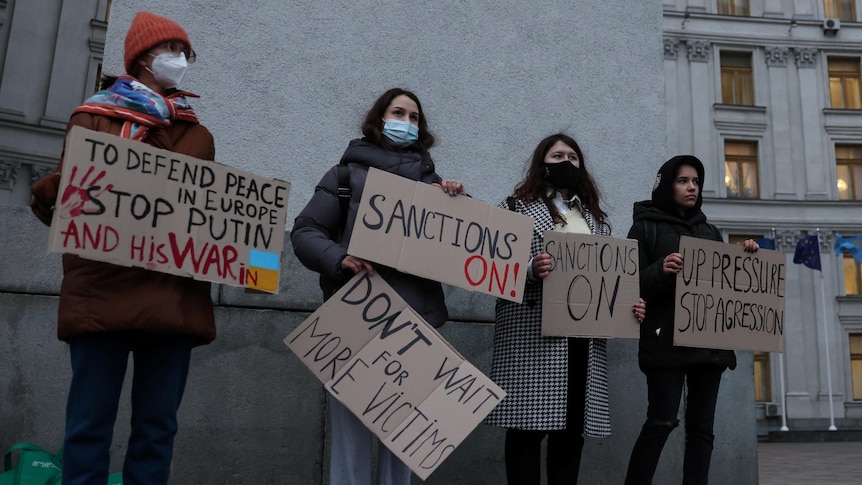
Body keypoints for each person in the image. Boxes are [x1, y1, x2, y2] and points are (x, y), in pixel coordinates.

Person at [30, 11, 215, 485]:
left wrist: (252, 262)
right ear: (142, 58)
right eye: (172, 51)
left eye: (185, 53)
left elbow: (202, 211)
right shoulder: (92, 118)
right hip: (102, 292)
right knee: (89, 428)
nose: (181, 61)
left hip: (171, 297)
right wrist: (56, 189)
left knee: (156, 431)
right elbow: (81, 198)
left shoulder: (197, 134)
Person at [291, 88, 466, 485]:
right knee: (349, 445)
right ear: (379, 119)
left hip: (413, 331)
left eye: (414, 117)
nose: (406, 121)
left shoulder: (435, 188)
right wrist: (339, 259)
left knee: (403, 446)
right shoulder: (344, 176)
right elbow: (305, 232)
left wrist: (457, 203)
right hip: (356, 322)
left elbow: (462, 249)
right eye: (398, 112)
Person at [484, 134, 646, 485]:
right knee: (526, 430)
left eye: (573, 157)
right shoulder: (513, 209)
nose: (566, 162)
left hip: (583, 343)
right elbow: (492, 267)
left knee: (571, 433)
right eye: (557, 155)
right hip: (532, 336)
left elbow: (609, 281)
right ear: (542, 164)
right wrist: (529, 269)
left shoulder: (597, 222)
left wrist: (628, 304)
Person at [623, 155, 759, 485]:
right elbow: (626, 287)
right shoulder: (644, 228)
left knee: (702, 430)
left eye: (696, 181)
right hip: (663, 344)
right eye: (683, 180)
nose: (691, 187)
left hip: (708, 348)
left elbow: (724, 287)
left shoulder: (709, 232)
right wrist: (660, 270)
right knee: (661, 421)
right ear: (666, 184)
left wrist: (745, 256)